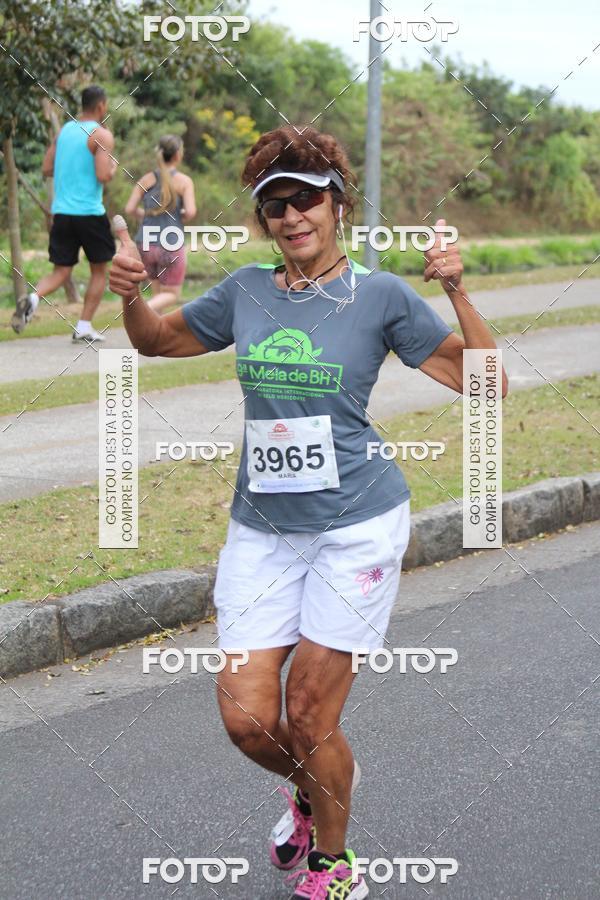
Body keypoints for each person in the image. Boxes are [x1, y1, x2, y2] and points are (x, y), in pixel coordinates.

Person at [109, 125, 509, 899]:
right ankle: (310, 788)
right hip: (260, 528)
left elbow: (485, 383)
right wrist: (129, 300)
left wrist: (456, 289)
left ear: (338, 206)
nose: (292, 217)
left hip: (356, 524)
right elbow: (158, 340)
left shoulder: (382, 295)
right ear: (264, 219)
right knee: (247, 718)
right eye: (275, 204)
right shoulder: (247, 293)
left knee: (308, 708)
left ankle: (334, 861)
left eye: (307, 199)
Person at [11, 84, 117, 342]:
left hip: (62, 213)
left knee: (61, 271)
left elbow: (46, 168)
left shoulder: (65, 132)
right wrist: (113, 167)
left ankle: (33, 298)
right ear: (101, 106)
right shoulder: (102, 135)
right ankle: (83, 326)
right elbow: (103, 175)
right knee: (99, 271)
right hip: (90, 213)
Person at [124, 134, 196, 314]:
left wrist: (147, 214)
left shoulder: (146, 179)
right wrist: (180, 217)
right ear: (178, 155)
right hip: (170, 243)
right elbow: (191, 212)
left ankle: (154, 337)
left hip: (145, 244)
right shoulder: (184, 181)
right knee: (172, 295)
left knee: (157, 294)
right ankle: (144, 310)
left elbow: (130, 208)